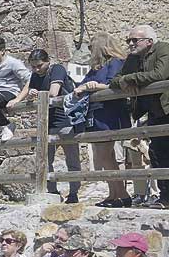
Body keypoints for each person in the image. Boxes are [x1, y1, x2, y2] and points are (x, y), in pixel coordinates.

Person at [109, 25, 169, 208]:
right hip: (155, 112)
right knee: (157, 154)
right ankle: (165, 198)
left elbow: (160, 74)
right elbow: (115, 80)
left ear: (149, 42)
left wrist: (131, 79)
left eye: (135, 40)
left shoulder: (164, 49)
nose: (131, 44)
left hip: (167, 108)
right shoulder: (133, 59)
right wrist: (127, 80)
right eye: (129, 40)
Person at [75, 33, 133, 206]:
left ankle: (122, 195)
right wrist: (85, 86)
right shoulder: (96, 68)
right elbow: (82, 84)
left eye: (92, 47)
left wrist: (94, 86)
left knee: (105, 155)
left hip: (110, 113)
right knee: (106, 156)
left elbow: (114, 84)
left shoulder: (115, 63)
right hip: (97, 114)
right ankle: (113, 194)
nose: (90, 51)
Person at [27, 49, 81, 203]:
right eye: (34, 67)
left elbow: (53, 93)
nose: (37, 70)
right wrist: (32, 93)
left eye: (39, 66)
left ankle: (74, 193)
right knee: (44, 159)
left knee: (72, 160)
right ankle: (52, 191)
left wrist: (37, 94)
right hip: (46, 123)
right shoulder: (35, 76)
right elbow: (33, 92)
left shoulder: (57, 69)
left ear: (47, 62)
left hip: (65, 121)